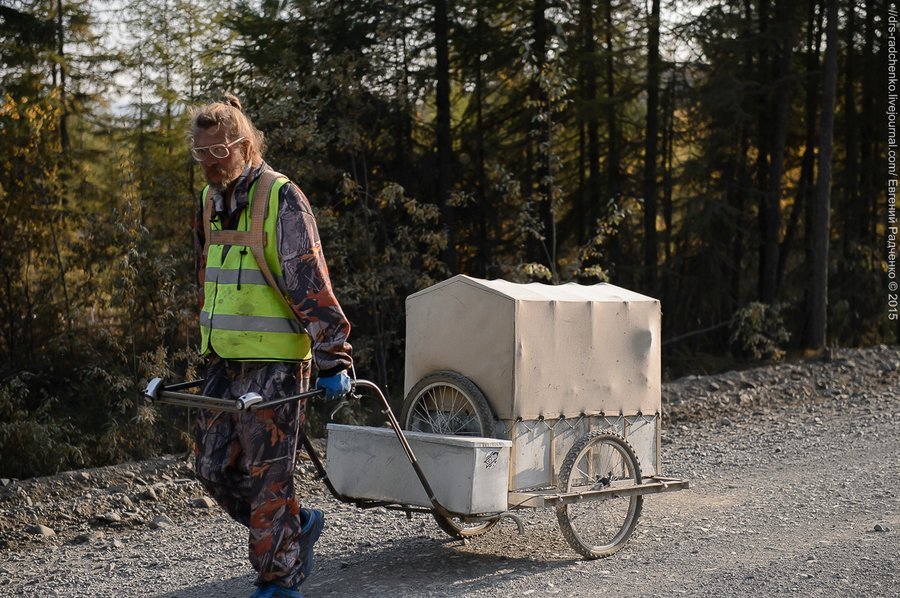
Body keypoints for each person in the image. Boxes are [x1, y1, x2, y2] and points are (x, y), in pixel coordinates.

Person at [189, 94, 353, 598]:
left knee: (268, 478)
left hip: (277, 361)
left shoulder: (281, 197)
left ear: (243, 144)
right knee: (211, 468)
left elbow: (310, 281)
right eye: (201, 155)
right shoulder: (209, 202)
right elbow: (207, 278)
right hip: (222, 357)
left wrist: (332, 357)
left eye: (218, 153)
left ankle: (279, 581)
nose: (210, 164)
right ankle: (295, 525)